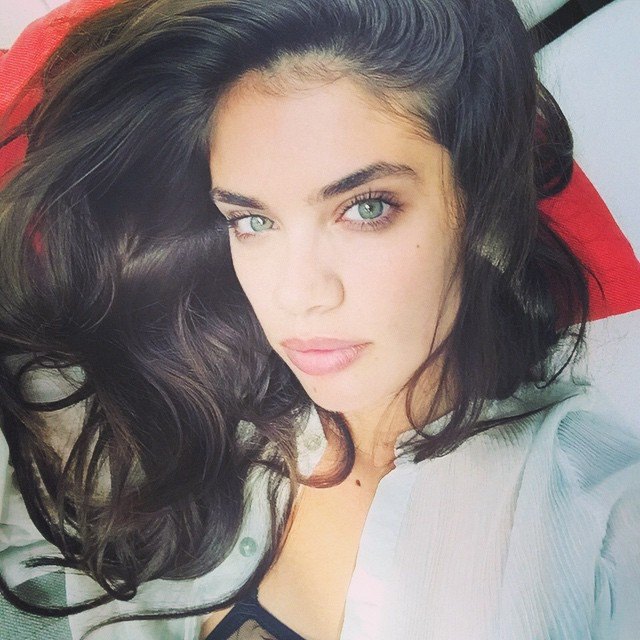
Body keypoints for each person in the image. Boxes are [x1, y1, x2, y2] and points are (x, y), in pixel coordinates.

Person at [0, 0, 639, 638]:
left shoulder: (602, 523)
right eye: (252, 220)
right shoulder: (190, 390)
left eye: (366, 208)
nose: (296, 295)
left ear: (477, 205)